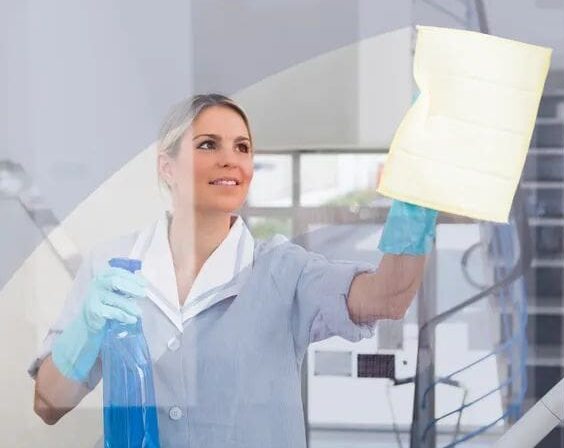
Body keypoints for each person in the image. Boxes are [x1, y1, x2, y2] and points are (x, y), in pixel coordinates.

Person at [28, 93, 438, 447]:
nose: (231, 160)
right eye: (208, 145)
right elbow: (48, 404)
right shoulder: (111, 269)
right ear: (166, 167)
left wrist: (417, 199)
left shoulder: (284, 271)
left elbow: (388, 295)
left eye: (242, 148)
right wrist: (85, 330)